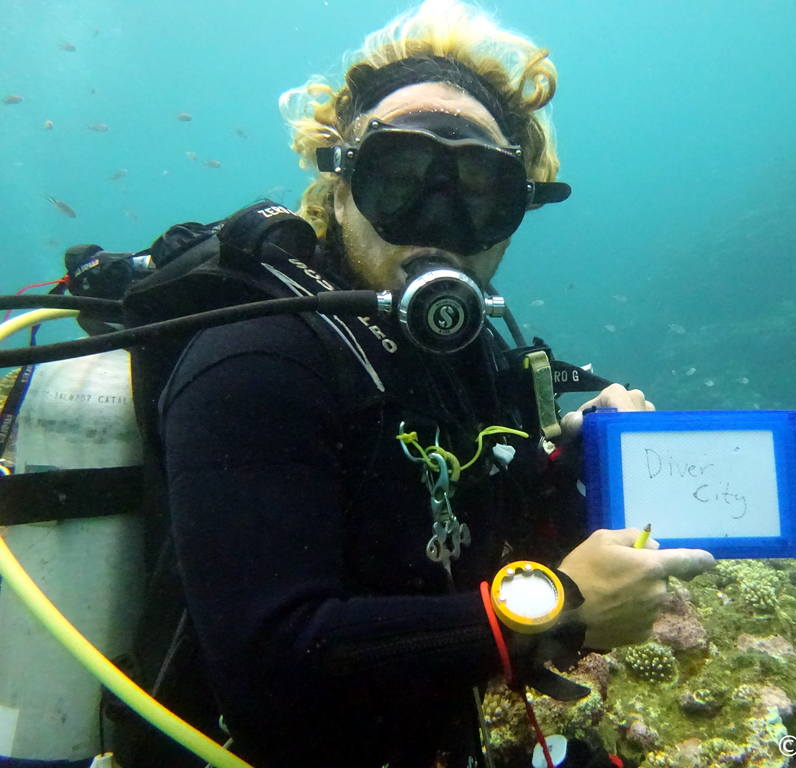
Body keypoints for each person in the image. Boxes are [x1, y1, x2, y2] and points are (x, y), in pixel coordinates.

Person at [117, 1, 715, 766]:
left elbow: (477, 534)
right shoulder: (256, 361)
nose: (437, 221)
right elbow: (269, 659)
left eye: (478, 191)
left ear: (514, 213)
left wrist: (571, 466)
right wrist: (552, 612)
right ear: (338, 189)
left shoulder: (474, 367)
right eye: (399, 177)